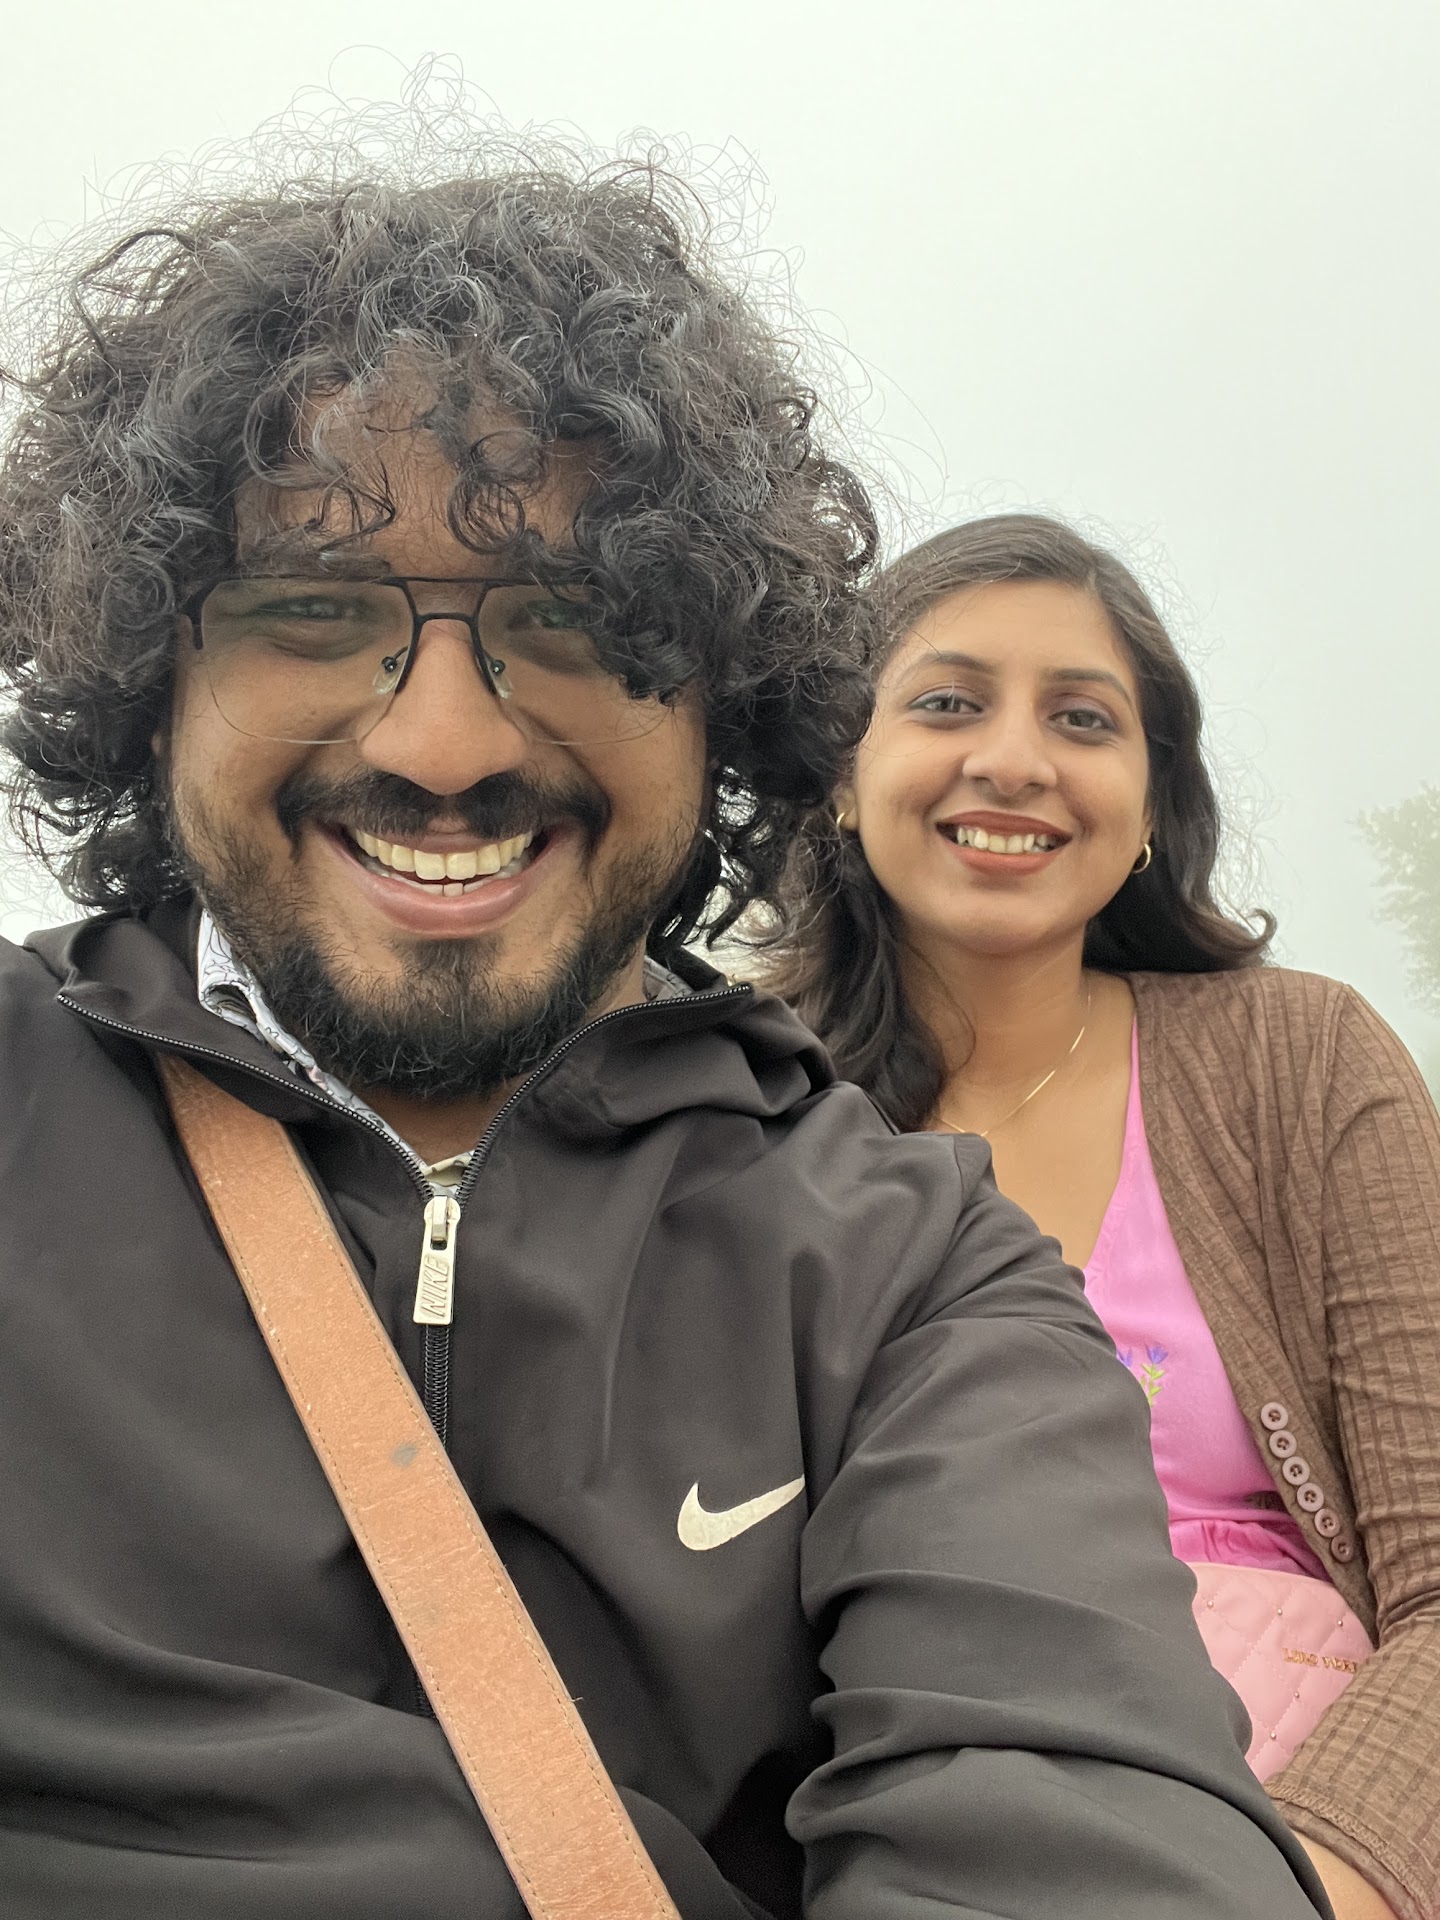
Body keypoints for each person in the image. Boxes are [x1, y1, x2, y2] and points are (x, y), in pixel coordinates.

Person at [0, 137, 1330, 1919]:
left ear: (728, 706)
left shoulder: (914, 1278)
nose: (445, 746)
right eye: (309, 608)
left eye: (577, 621)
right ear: (149, 680)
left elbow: (1090, 1829)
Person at [767, 510, 1440, 1920]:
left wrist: (1316, 1888)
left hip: (1309, 1847)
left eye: (1083, 718)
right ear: (841, 777)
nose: (1014, 759)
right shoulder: (732, 1121)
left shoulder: (1297, 1062)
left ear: (1148, 808)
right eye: (948, 702)